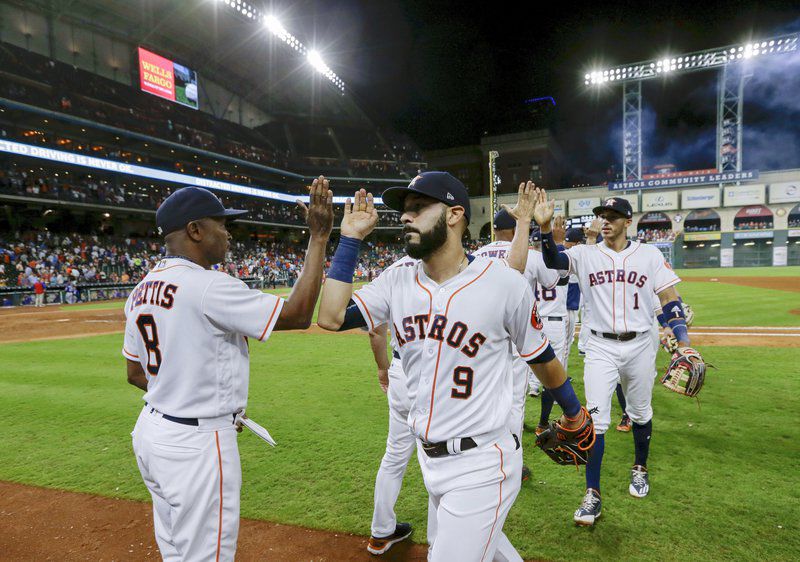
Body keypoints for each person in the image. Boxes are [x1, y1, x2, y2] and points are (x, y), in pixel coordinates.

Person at [317, 172, 593, 561]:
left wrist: (574, 412)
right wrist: (349, 240)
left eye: (417, 208)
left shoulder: (502, 284)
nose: (405, 218)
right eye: (403, 211)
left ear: (454, 215)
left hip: (483, 462)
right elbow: (330, 317)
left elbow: (543, 360)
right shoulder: (397, 279)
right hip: (431, 460)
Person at [123, 180, 333, 560]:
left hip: (152, 434)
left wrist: (190, 391)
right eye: (222, 224)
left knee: (175, 550)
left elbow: (134, 372)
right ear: (195, 230)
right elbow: (300, 313)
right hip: (197, 446)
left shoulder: (140, 289)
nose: (229, 234)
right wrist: (318, 237)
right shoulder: (207, 285)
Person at [533, 193, 694, 526]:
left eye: (613, 215)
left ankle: (640, 468)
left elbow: (669, 298)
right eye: (602, 215)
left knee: (640, 412)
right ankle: (593, 494)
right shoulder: (585, 254)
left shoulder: (649, 255)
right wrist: (546, 229)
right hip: (600, 348)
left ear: (627, 221)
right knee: (596, 419)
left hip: (640, 346)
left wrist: (684, 342)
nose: (605, 220)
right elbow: (553, 261)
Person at [472, 200, 563, 483]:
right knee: (513, 404)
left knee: (482, 398)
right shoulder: (532, 256)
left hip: (480, 338)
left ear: (495, 230)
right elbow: (552, 281)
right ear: (515, 230)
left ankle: (482, 459)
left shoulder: (475, 255)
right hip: (518, 338)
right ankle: (511, 465)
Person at [365, 256, 417, 555]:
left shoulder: (392, 271)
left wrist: (383, 368)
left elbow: (375, 331)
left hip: (399, 370)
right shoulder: (445, 264)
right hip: (436, 377)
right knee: (444, 458)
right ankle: (445, 545)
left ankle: (381, 532)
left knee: (394, 455)